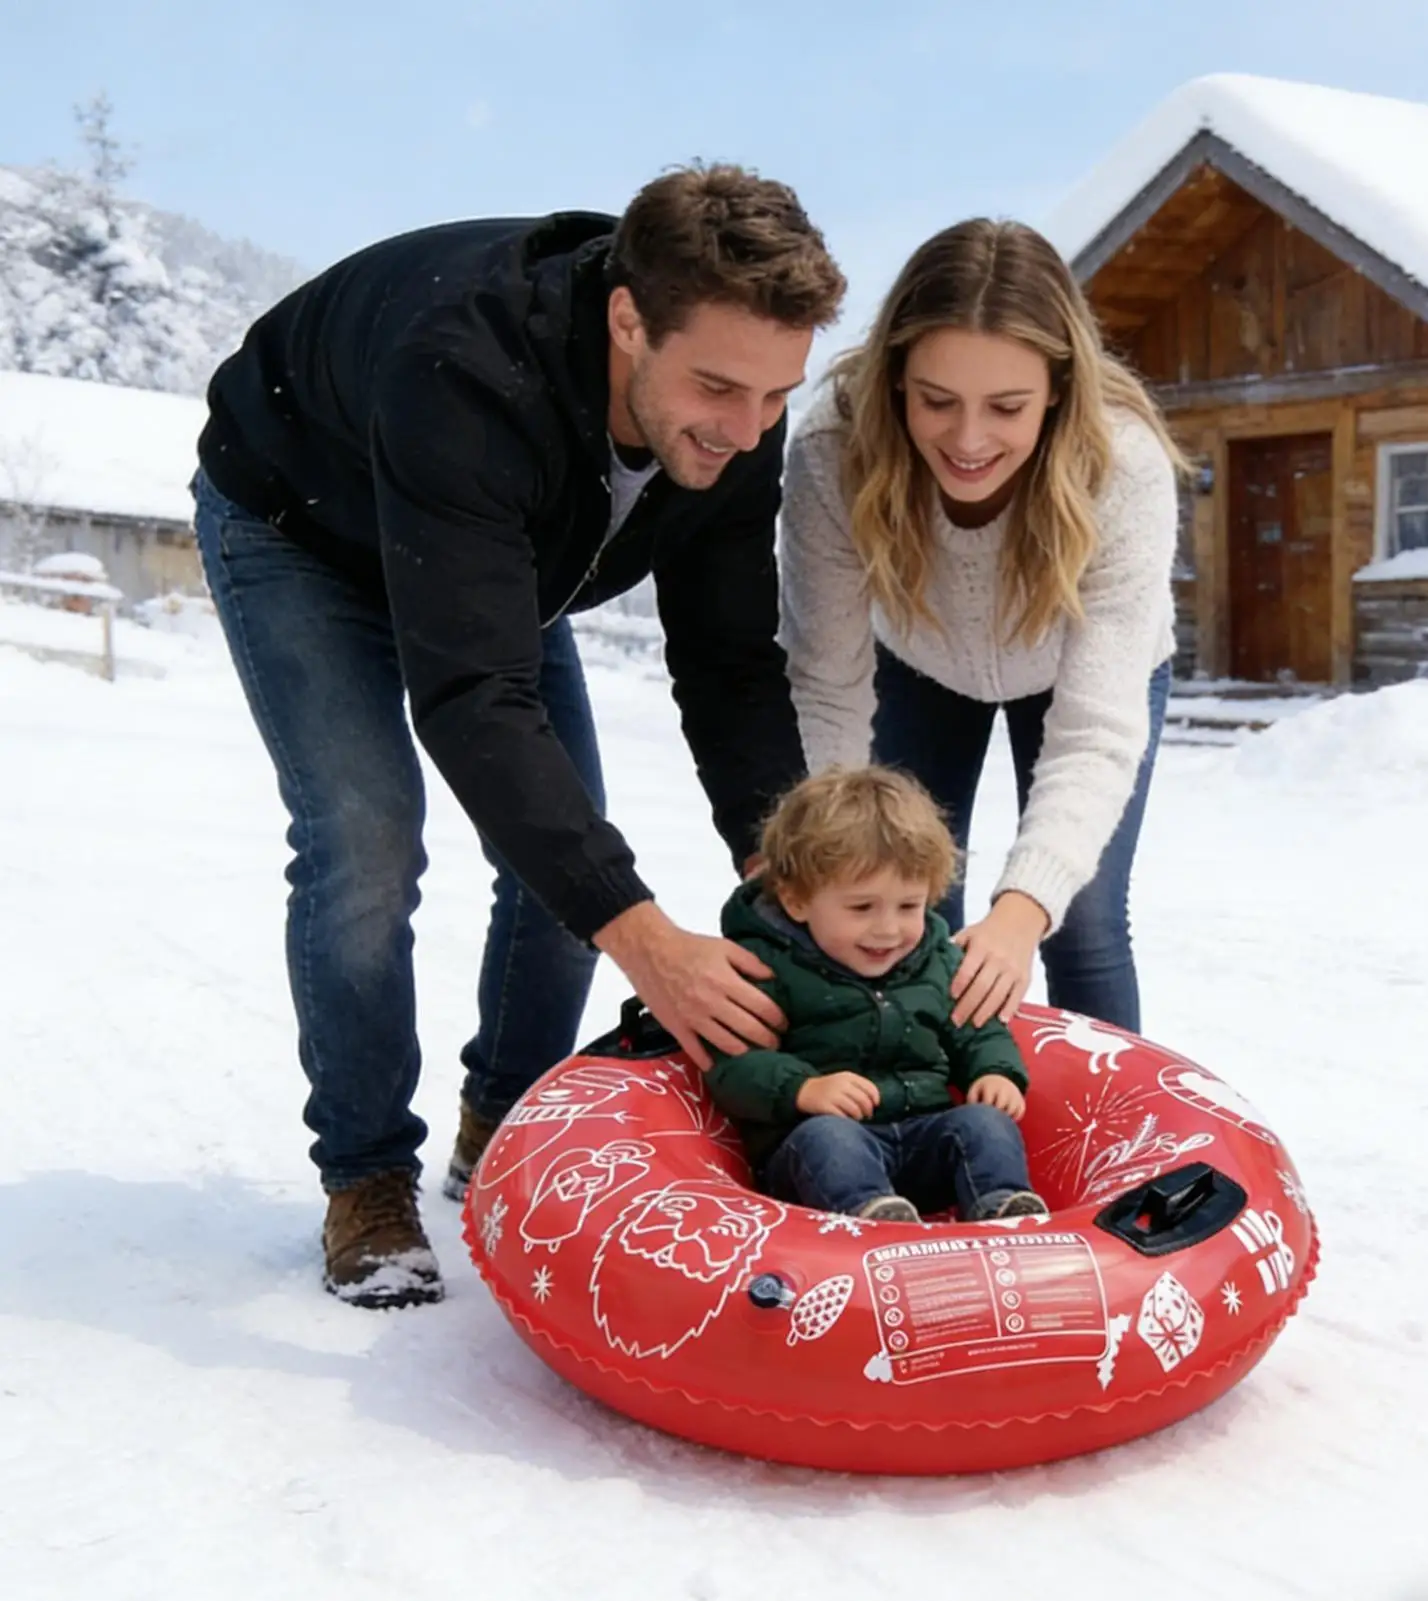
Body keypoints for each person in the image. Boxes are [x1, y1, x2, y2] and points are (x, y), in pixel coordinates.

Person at [192, 165, 846, 1308]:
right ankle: (366, 1180)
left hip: (498, 559)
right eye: (716, 387)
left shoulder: (737, 422)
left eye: (775, 395)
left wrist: (785, 871)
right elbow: (473, 698)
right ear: (627, 319)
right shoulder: (462, 367)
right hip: (302, 529)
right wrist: (645, 940)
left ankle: (499, 1128)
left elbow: (729, 662)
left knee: (563, 860)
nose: (746, 431)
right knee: (367, 837)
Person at [778, 219, 1182, 1041]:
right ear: (895, 381)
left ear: (1060, 388)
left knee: (1081, 919)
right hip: (917, 661)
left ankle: (1108, 1143)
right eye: (935, 401)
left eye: (1006, 407)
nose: (966, 440)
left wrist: (1022, 909)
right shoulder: (832, 446)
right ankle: (928, 1126)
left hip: (1082, 671)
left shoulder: (1123, 465)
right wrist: (832, 850)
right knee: (904, 907)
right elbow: (826, 683)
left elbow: (1095, 732)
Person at [705, 767, 1047, 1223]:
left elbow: (975, 1028)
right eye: (862, 907)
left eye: (909, 906)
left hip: (922, 1132)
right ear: (797, 901)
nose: (888, 929)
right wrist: (803, 1088)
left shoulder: (936, 962)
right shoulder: (764, 966)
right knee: (829, 1139)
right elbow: (734, 1061)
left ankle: (1003, 1207)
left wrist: (996, 1072)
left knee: (983, 1124)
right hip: (820, 1148)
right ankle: (868, 1214)